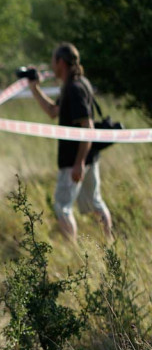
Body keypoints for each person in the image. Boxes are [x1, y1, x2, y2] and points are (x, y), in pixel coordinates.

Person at [28, 42, 112, 243]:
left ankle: (72, 255)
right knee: (94, 203)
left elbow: (87, 126)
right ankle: (110, 245)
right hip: (88, 156)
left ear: (61, 62)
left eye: (53, 60)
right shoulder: (75, 84)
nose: (52, 65)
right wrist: (34, 88)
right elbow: (53, 112)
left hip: (75, 159)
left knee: (62, 208)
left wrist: (78, 163)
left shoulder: (74, 88)